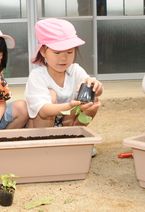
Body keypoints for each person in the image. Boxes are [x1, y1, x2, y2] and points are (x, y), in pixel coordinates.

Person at [25, 18, 103, 156]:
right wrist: (70, 105)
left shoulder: (75, 70)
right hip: (42, 127)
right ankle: (46, 144)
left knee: (93, 101)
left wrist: (95, 87)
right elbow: (43, 111)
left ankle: (71, 140)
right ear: (43, 52)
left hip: (67, 123)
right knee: (52, 95)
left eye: (69, 52)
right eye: (57, 52)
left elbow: (97, 90)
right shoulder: (37, 75)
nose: (63, 58)